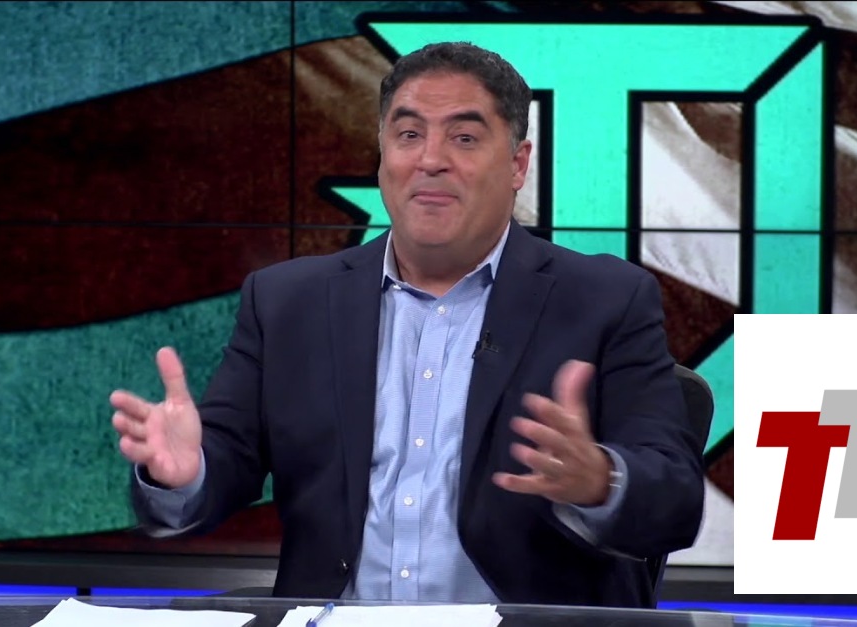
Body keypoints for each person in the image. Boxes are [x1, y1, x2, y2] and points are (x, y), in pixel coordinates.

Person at [111, 41, 703, 608]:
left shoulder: (605, 299)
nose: (430, 159)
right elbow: (225, 463)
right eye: (409, 134)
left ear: (518, 164)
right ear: (383, 154)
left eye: (464, 137)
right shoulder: (287, 302)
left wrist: (599, 480)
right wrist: (186, 474)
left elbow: (675, 499)